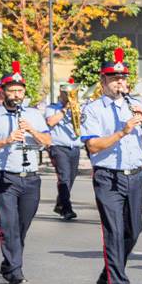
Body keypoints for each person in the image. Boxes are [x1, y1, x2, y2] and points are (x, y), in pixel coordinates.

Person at [77, 50, 142, 284]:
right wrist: (122, 131)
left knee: (134, 230)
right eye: (114, 79)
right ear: (103, 81)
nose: (120, 83)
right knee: (114, 232)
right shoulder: (93, 109)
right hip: (109, 176)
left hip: (134, 175)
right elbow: (93, 146)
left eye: (123, 78)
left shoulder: (135, 104)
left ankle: (107, 276)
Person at [0, 61, 53, 284]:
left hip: (30, 176)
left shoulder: (34, 114)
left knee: (21, 226)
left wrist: (32, 130)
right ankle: (16, 271)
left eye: (20, 91)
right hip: (3, 175)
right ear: (2, 92)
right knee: (8, 226)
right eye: (12, 91)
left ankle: (9, 264)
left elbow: (48, 142)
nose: (17, 95)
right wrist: (6, 140)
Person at [42, 81, 83, 221]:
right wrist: (65, 109)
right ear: (61, 93)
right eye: (68, 93)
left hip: (75, 146)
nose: (72, 96)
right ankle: (66, 209)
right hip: (58, 147)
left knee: (70, 178)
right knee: (64, 177)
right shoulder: (52, 108)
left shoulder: (79, 107)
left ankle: (60, 204)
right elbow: (50, 122)